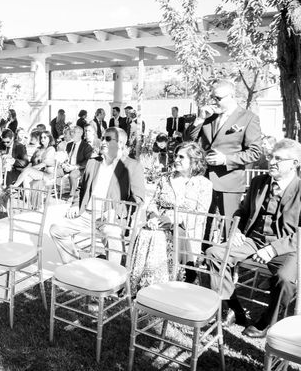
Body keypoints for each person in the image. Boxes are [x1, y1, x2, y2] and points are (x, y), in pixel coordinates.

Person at [207, 139, 301, 337]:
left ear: (295, 163)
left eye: (279, 159)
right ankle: (232, 309)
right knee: (214, 253)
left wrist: (274, 249)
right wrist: (237, 232)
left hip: (288, 247)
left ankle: (267, 323)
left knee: (285, 280)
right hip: (252, 239)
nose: (272, 162)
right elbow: (242, 212)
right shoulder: (259, 182)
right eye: (271, 157)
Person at [49, 127, 145, 264]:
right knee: (56, 229)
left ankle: (113, 276)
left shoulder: (132, 166)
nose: (103, 142)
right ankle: (73, 265)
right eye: (103, 138)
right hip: (86, 215)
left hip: (110, 217)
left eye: (108, 139)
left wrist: (117, 212)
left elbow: (138, 198)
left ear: (121, 144)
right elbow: (81, 188)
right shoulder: (92, 163)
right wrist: (76, 205)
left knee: (112, 234)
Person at [128, 142, 212, 294]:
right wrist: (153, 217)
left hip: (186, 232)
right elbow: (152, 203)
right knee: (146, 232)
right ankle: (143, 286)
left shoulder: (203, 184)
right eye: (176, 156)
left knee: (157, 238)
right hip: (159, 223)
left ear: (194, 161)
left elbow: (201, 215)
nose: (176, 159)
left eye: (181, 157)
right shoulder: (165, 179)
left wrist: (173, 219)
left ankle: (164, 288)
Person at [185, 79, 262, 222]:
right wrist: (200, 119)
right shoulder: (208, 116)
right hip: (203, 179)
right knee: (200, 226)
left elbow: (255, 152)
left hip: (229, 183)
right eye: (213, 97)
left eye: (218, 98)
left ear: (232, 96)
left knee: (229, 227)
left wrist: (226, 159)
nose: (215, 101)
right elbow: (188, 141)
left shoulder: (249, 118)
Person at [61, 126, 93, 199]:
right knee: (54, 172)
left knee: (73, 175)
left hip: (79, 168)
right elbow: (66, 157)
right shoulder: (69, 145)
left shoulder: (86, 146)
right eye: (71, 132)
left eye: (74, 132)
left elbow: (88, 161)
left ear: (80, 134)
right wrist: (64, 165)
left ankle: (73, 195)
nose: (72, 134)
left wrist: (75, 167)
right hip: (68, 167)